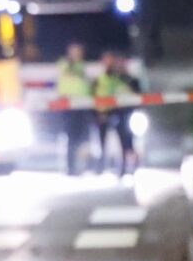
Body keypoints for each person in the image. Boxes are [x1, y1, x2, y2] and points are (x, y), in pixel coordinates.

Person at [92, 50, 143, 177]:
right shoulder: (108, 78)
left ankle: (128, 167)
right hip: (111, 112)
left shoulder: (129, 79)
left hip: (126, 114)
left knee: (127, 141)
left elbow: (138, 95)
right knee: (105, 140)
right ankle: (105, 166)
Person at [53, 41, 95, 176]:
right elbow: (69, 72)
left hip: (82, 105)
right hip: (68, 105)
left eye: (79, 51)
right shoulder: (65, 64)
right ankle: (70, 167)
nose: (77, 53)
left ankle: (81, 166)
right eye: (74, 50)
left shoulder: (82, 65)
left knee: (83, 137)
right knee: (71, 138)